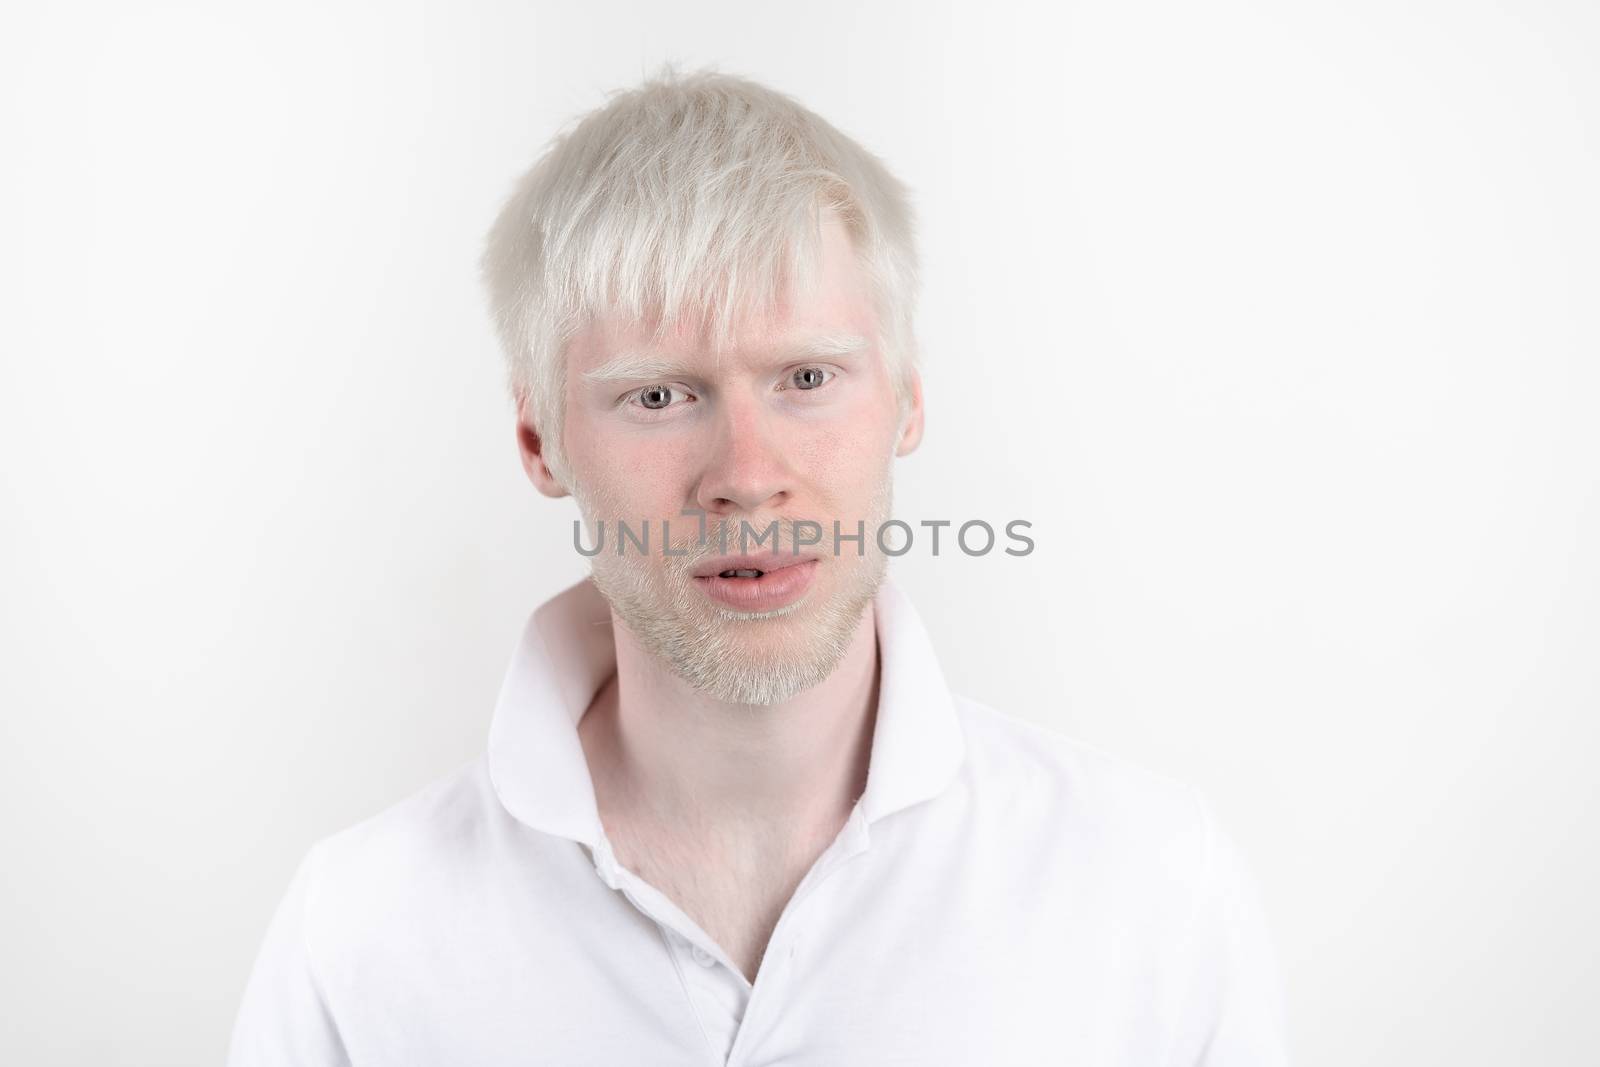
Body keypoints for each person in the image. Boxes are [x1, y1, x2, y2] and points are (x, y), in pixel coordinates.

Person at [227, 67, 1288, 1065]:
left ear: (908, 399)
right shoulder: (358, 932)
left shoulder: (1151, 888)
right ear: (540, 441)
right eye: (657, 395)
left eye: (807, 376)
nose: (745, 476)